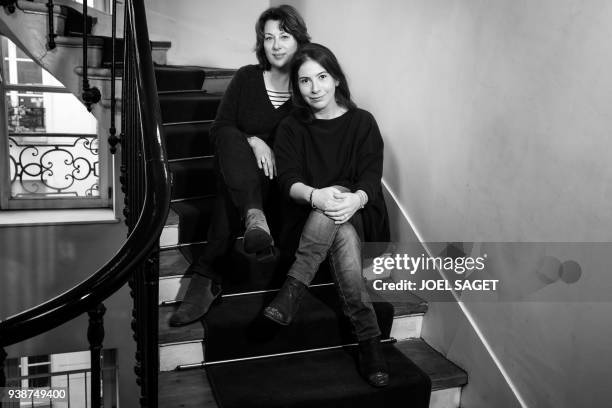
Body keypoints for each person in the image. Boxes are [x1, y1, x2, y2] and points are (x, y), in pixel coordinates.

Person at [169, 5, 311, 327]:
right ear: (261, 43)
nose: (275, 45)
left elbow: (304, 146)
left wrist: (268, 148)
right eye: (268, 37)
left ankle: (207, 276)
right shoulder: (247, 77)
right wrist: (253, 140)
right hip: (240, 174)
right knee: (231, 137)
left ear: (298, 40)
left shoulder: (307, 88)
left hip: (277, 186)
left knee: (227, 194)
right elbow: (219, 129)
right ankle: (252, 218)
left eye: (284, 37)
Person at [263, 43, 391, 387]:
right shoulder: (291, 127)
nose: (315, 88)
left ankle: (292, 289)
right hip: (304, 218)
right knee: (336, 221)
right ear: (297, 87)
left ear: (336, 79)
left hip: (359, 212)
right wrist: (316, 195)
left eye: (321, 77)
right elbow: (287, 181)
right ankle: (370, 342)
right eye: (305, 81)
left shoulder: (362, 122)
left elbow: (370, 176)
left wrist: (356, 200)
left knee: (342, 205)